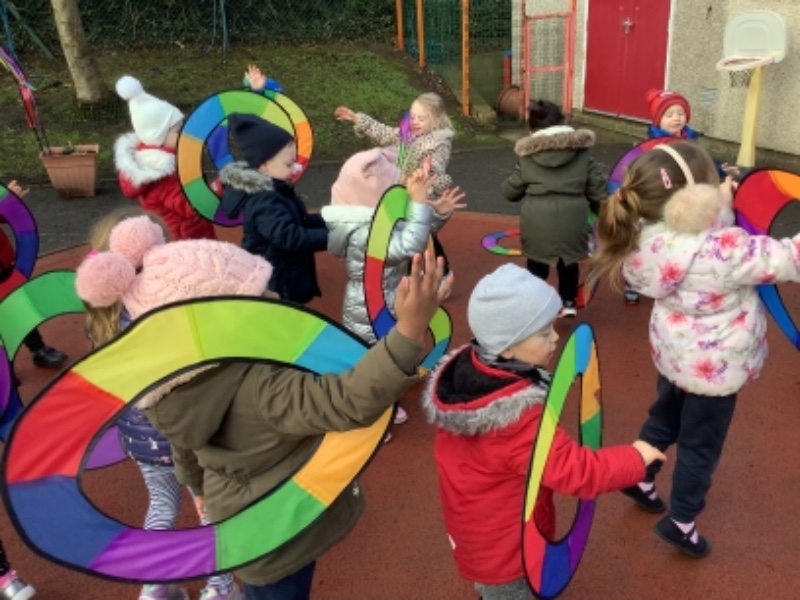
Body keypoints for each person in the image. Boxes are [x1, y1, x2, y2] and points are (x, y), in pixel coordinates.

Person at [74, 213, 449, 600]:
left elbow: (184, 444)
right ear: (227, 324)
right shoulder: (260, 386)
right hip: (283, 532)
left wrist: (197, 486)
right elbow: (346, 399)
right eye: (257, 300)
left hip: (245, 528)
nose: (272, 300)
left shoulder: (174, 386)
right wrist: (408, 332)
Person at [591, 140, 800, 558]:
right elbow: (788, 259)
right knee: (700, 446)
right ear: (694, 201)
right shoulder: (726, 250)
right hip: (715, 371)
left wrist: (722, 198)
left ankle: (641, 476)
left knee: (664, 417)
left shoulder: (639, 234)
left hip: (674, 356)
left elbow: (691, 232)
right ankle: (682, 521)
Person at [422, 263, 665, 599]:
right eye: (543, 333)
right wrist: (636, 458)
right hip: (510, 552)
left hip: (479, 534)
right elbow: (577, 471)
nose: (555, 338)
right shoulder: (517, 420)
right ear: (507, 348)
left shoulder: (470, 379)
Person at [81, 207, 241, 600]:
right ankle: (220, 588)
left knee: (162, 503)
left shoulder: (102, 319)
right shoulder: (167, 310)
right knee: (209, 509)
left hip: (140, 440)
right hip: (185, 433)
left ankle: (154, 586)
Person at [321, 151, 465, 432]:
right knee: (376, 359)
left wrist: (436, 213)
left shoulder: (377, 220)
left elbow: (413, 230)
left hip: (387, 294)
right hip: (369, 305)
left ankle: (385, 395)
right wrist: (419, 203)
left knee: (387, 351)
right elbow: (408, 245)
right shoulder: (362, 233)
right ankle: (376, 417)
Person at [501, 100, 606, 317]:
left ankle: (535, 302)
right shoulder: (583, 153)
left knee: (537, 262)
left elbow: (510, 193)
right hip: (573, 217)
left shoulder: (528, 156)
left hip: (537, 218)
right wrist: (603, 214)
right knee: (568, 262)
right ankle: (568, 301)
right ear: (562, 122)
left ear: (532, 129)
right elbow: (597, 191)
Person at [334, 92, 455, 282]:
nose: (415, 122)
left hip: (423, 195)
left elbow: (439, 174)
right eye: (413, 117)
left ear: (436, 119)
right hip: (403, 191)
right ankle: (409, 273)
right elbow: (384, 132)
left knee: (423, 236)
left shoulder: (439, 143)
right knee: (409, 235)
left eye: (421, 118)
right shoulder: (408, 134)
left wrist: (427, 173)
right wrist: (357, 118)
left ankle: (442, 274)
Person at [220, 113, 328, 304]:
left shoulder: (276, 188)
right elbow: (290, 236)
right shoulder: (264, 200)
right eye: (289, 164)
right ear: (264, 165)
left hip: (286, 270)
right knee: (285, 315)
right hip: (277, 280)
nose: (295, 169)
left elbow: (299, 219)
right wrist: (334, 238)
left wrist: (331, 221)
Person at [114, 75, 217, 242]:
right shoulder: (161, 172)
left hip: (185, 234)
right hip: (185, 241)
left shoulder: (161, 160)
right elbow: (191, 207)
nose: (184, 133)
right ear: (158, 136)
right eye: (178, 130)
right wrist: (218, 188)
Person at [0, 180, 66, 378]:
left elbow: (4, 217)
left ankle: (38, 349)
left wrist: (9, 203)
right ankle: (4, 369)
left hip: (2, 265)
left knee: (19, 306)